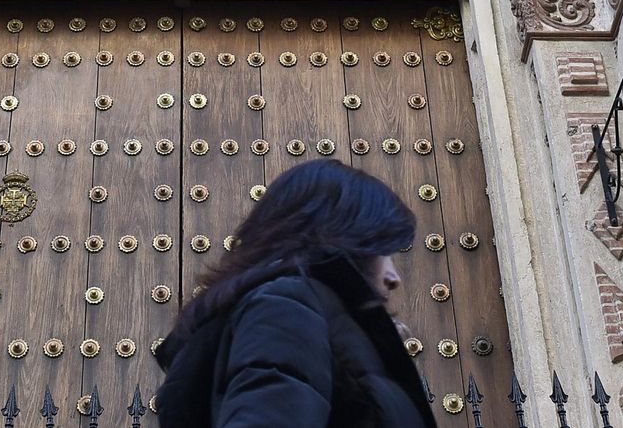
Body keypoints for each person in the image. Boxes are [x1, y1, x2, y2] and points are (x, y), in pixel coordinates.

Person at [154, 160, 436, 428]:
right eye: (381, 251)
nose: (394, 277)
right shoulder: (284, 308)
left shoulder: (308, 314)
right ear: (341, 236)